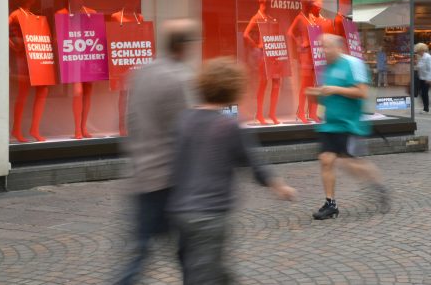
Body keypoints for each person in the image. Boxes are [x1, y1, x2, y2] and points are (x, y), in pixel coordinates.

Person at [167, 57, 296, 283]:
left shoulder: (184, 119)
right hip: (210, 213)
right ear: (233, 89)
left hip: (180, 211)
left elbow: (173, 162)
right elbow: (255, 165)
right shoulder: (228, 126)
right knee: (205, 274)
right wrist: (280, 186)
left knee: (204, 270)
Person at [116, 19, 199, 285]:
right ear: (184, 46)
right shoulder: (180, 78)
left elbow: (131, 120)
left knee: (140, 251)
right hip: (171, 180)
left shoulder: (142, 72)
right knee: (190, 253)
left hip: (142, 175)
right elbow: (187, 132)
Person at [307, 34, 389, 220]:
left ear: (339, 48)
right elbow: (324, 97)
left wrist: (334, 89)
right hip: (330, 125)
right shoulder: (325, 69)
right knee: (326, 160)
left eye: (327, 47)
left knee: (350, 163)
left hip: (349, 124)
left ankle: (377, 184)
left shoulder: (353, 64)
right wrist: (313, 94)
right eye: (322, 47)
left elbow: (362, 92)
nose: (324, 51)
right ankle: (330, 204)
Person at [414, 43, 431, 113]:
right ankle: (426, 104)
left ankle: (426, 108)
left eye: (418, 51)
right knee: (420, 93)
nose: (417, 53)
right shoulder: (422, 57)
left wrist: (430, 79)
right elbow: (419, 67)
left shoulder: (428, 57)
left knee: (424, 93)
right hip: (421, 78)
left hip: (427, 79)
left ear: (421, 50)